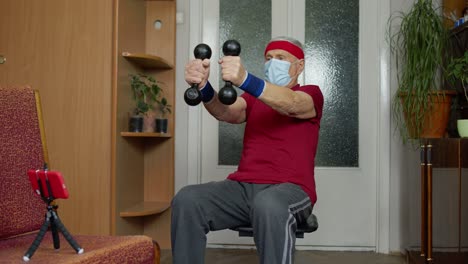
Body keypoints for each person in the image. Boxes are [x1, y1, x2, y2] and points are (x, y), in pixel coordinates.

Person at [172, 36, 324, 264]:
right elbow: (226, 112)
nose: (273, 63)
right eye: (269, 58)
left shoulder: (311, 94)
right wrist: (204, 87)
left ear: (299, 65)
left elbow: (292, 104)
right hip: (243, 189)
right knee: (187, 199)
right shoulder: (254, 99)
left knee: (269, 204)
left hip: (291, 190)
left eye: (281, 58)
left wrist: (244, 78)